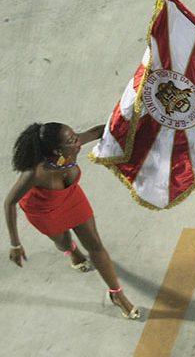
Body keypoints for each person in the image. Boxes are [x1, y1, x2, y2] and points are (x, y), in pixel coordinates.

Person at [5, 122, 141, 320]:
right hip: (43, 211)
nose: (78, 141)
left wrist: (137, 121)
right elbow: (9, 203)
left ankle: (117, 294)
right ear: (56, 150)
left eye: (75, 136)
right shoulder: (35, 173)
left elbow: (99, 130)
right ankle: (73, 252)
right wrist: (15, 244)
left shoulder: (72, 146)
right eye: (71, 140)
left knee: (95, 245)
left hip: (71, 198)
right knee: (64, 242)